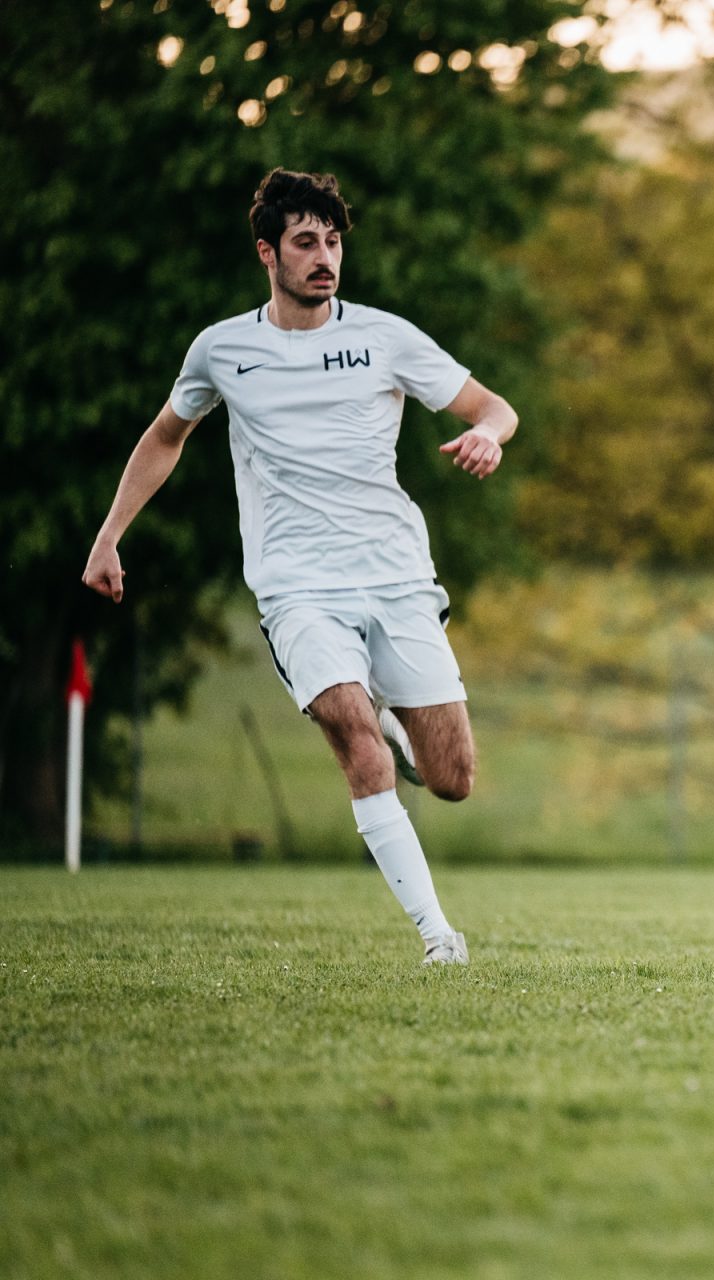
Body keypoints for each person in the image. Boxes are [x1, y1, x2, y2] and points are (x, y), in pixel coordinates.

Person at [82, 168, 519, 966]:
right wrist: (110, 536)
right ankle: (439, 937)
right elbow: (166, 437)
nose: (325, 258)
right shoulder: (221, 350)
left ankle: (394, 718)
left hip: (396, 575)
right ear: (267, 253)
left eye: (334, 242)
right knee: (355, 740)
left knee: (452, 777)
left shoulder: (385, 337)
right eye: (306, 242)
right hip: (296, 587)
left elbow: (494, 406)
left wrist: (489, 434)